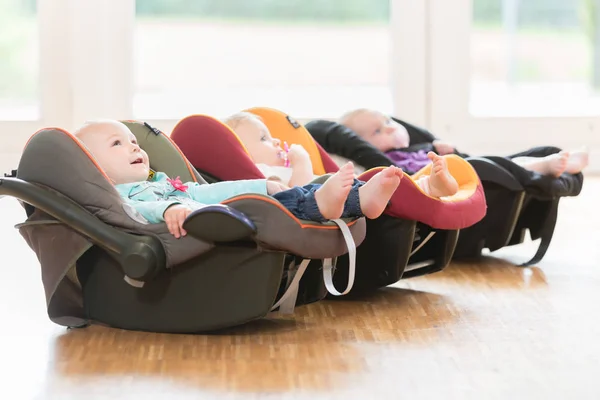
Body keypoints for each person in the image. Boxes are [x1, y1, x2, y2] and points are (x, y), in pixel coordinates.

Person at [73, 120, 404, 238]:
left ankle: (360, 199)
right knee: (278, 206)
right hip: (209, 226)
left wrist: (260, 185)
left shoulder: (158, 180)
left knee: (274, 194)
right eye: (117, 144)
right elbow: (137, 212)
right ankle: (330, 202)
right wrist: (169, 208)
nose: (134, 146)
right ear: (94, 166)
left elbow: (205, 191)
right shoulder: (120, 193)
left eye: (133, 141)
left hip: (216, 209)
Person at [224, 111, 459, 199]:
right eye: (264, 139)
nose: (275, 140)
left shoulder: (276, 168)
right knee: (367, 186)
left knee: (372, 185)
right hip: (326, 202)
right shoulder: (263, 176)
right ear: (243, 153)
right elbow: (298, 194)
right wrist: (301, 160)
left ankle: (430, 186)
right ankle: (428, 186)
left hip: (339, 196)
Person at [339, 108, 589, 178]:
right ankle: (544, 166)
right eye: (378, 131)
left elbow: (423, 154)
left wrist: (439, 148)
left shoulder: (408, 148)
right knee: (494, 166)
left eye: (387, 121)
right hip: (455, 181)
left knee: (503, 162)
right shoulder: (390, 161)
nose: (390, 128)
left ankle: (550, 160)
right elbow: (415, 172)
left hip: (461, 168)